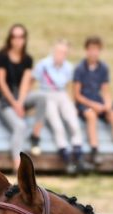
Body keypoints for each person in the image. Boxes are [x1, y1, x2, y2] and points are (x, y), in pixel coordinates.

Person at [0, 23, 46, 169]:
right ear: (10, 39)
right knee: (20, 125)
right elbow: (1, 83)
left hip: (19, 97)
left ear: (25, 39)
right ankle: (18, 166)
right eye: (14, 37)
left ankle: (35, 135)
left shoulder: (28, 59)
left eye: (21, 37)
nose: (17, 40)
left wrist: (20, 102)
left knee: (42, 97)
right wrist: (15, 104)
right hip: (3, 99)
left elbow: (25, 84)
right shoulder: (2, 56)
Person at [73, 36, 113, 170]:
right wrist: (93, 105)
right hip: (85, 103)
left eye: (96, 50)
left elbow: (105, 90)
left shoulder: (103, 68)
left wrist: (107, 104)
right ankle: (94, 150)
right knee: (91, 116)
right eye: (91, 49)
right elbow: (77, 95)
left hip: (98, 101)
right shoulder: (80, 68)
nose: (94, 53)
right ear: (86, 51)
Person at [35, 39, 85, 174]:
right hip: (47, 94)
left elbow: (68, 86)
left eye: (64, 52)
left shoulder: (68, 67)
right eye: (59, 51)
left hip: (62, 94)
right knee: (57, 125)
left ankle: (78, 155)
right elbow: (33, 80)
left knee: (73, 121)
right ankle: (66, 158)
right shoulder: (43, 64)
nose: (61, 54)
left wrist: (72, 104)